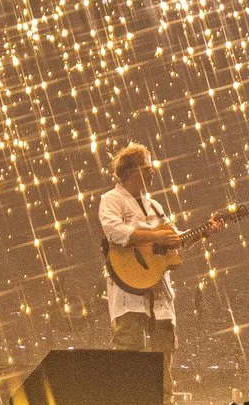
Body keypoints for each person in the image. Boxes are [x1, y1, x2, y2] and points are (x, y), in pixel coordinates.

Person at [97, 144, 227, 358]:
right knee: (130, 347)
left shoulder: (155, 206)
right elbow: (114, 230)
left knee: (165, 349)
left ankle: (164, 393)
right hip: (128, 287)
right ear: (131, 171)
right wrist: (155, 236)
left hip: (158, 287)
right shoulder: (112, 199)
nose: (152, 172)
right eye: (147, 167)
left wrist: (204, 231)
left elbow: (174, 238)